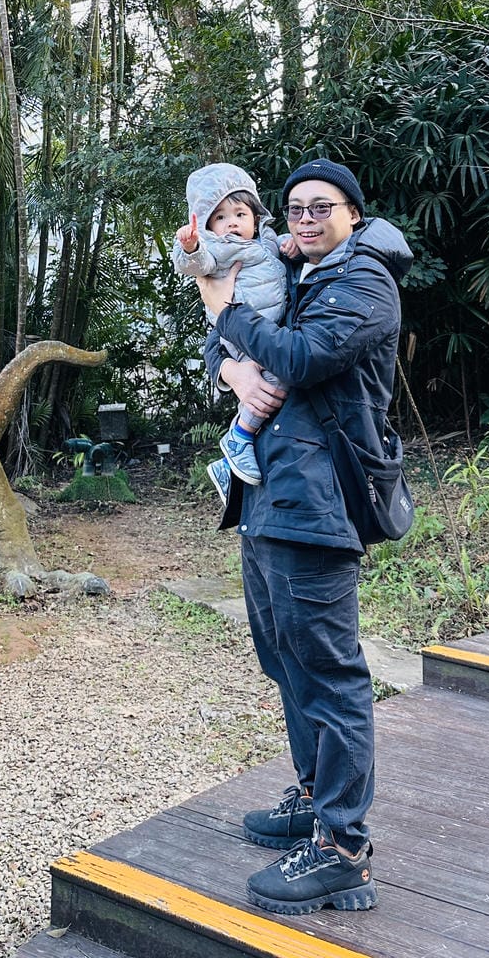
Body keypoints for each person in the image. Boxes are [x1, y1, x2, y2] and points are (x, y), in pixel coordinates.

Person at [196, 158, 411, 918]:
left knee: (329, 672)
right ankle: (319, 796)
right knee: (283, 658)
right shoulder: (300, 272)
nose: (306, 218)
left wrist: (221, 307)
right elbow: (232, 354)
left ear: (354, 212)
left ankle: (343, 851)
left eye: (322, 207)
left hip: (318, 508)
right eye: (294, 208)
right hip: (270, 497)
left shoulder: (363, 283)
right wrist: (229, 371)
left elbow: (300, 357)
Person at [170, 164, 294, 496]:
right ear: (209, 224)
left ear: (255, 216)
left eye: (240, 213)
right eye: (220, 217)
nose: (232, 223)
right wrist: (191, 247)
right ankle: (239, 437)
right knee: (277, 378)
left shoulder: (265, 242)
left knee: (276, 375)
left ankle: (227, 466)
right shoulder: (219, 249)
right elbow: (197, 265)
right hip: (241, 335)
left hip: (264, 331)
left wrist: (289, 243)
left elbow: (277, 247)